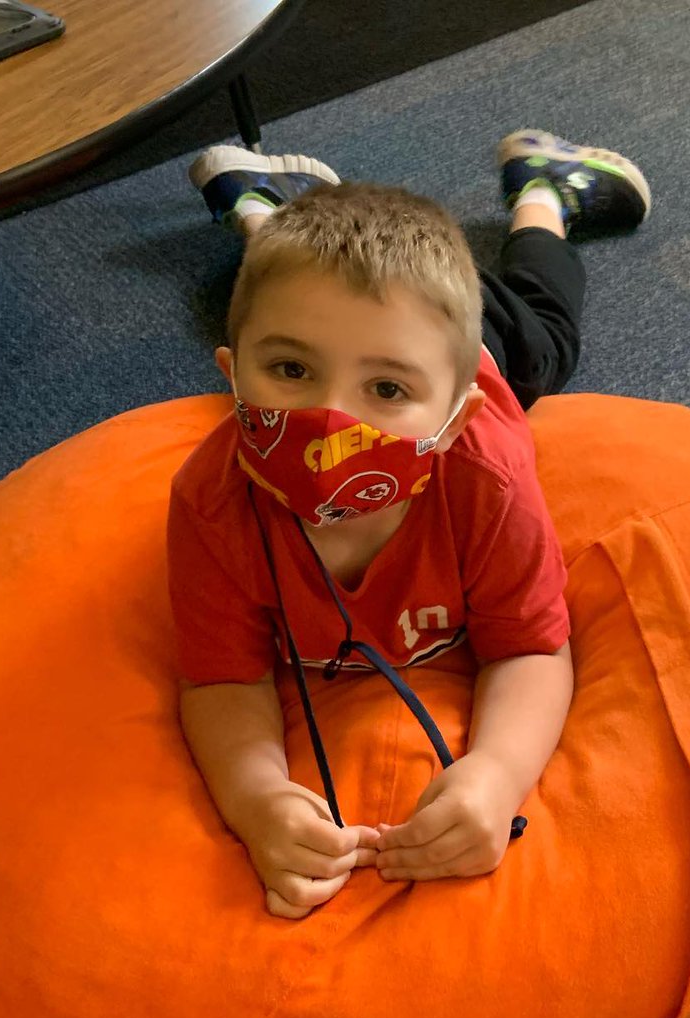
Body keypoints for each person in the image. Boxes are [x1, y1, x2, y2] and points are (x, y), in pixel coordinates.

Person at [170, 130, 651, 919]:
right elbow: (221, 675)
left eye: (385, 391)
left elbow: (532, 645)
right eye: (289, 371)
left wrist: (497, 772)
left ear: (455, 421)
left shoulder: (482, 476)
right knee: (308, 291)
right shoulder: (211, 502)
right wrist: (256, 798)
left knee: (549, 342)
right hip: (397, 338)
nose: (333, 421)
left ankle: (545, 192)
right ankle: (263, 211)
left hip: (482, 347)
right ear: (231, 378)